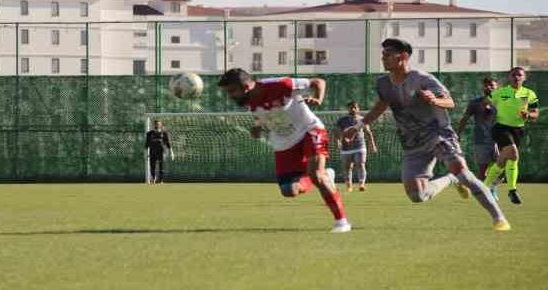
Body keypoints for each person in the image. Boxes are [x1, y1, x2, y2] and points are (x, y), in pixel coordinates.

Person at [344, 38, 510, 231]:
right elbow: (381, 105)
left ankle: (499, 218)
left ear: (403, 56)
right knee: (417, 195)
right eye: (383, 54)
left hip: (438, 133)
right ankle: (450, 179)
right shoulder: (383, 83)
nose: (383, 58)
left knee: (461, 170)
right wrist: (359, 126)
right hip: (412, 143)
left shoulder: (422, 79)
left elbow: (450, 102)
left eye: (387, 54)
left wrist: (434, 100)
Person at [218, 68, 351, 233]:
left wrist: (318, 98)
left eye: (231, 91)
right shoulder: (246, 101)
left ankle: (341, 222)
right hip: (284, 142)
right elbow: (263, 115)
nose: (230, 96)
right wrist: (258, 127)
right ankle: (325, 175)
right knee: (289, 190)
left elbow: (318, 82)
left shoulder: (280, 84)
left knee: (317, 175)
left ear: (246, 86)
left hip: (310, 129)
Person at [483, 67, 539, 204]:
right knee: (513, 153)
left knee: (502, 161)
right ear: (509, 77)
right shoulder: (500, 92)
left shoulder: (529, 93)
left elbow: (535, 113)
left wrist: (529, 115)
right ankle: (512, 191)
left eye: (519, 75)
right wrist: (488, 109)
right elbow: (487, 103)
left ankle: (485, 186)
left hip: (518, 130)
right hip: (501, 128)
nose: (516, 77)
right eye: (513, 75)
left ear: (524, 78)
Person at [456, 77, 499, 180]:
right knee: (482, 170)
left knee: (501, 167)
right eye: (486, 85)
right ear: (482, 88)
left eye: (492, 85)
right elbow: (465, 118)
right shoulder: (475, 103)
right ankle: (483, 193)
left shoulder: (502, 102)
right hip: (481, 140)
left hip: (500, 140)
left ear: (497, 88)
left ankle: (492, 188)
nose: (489, 87)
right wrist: (458, 134)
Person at [333, 100, 377, 192]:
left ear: (358, 108)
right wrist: (338, 141)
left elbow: (368, 133)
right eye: (351, 107)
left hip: (360, 146)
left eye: (355, 107)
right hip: (346, 148)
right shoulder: (342, 120)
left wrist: (372, 145)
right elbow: (336, 132)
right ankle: (349, 185)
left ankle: (361, 184)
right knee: (347, 167)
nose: (353, 109)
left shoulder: (362, 120)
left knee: (361, 164)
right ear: (348, 109)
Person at [145, 120, 173, 184]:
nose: (157, 125)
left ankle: (161, 181)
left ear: (160, 125)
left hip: (161, 152)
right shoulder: (149, 133)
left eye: (158, 124)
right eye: (155, 124)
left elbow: (168, 143)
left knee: (161, 166)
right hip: (152, 152)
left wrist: (171, 151)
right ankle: (153, 178)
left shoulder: (164, 133)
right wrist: (146, 153)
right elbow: (147, 144)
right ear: (153, 125)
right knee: (152, 167)